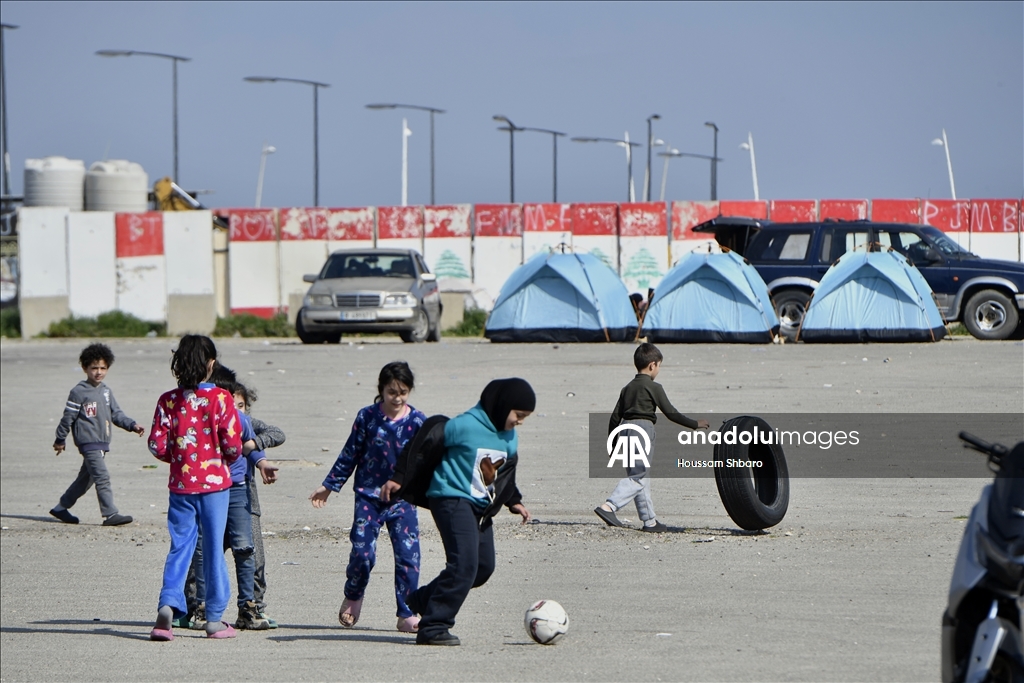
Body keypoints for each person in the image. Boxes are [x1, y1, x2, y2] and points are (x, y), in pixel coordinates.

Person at [382, 378, 535, 647]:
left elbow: (503, 472)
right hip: (450, 498)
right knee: (463, 564)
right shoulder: (464, 425)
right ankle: (434, 627)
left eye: (524, 417)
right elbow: (423, 443)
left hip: (481, 506)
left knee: (482, 568)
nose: (520, 421)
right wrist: (399, 477)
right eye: (518, 415)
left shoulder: (509, 436)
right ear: (501, 406)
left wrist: (514, 500)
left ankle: (423, 599)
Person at [310, 361, 425, 633]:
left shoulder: (418, 421)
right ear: (381, 390)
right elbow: (350, 453)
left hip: (402, 500)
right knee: (363, 553)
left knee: (409, 558)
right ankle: (353, 596)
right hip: (368, 498)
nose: (397, 398)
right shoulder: (367, 417)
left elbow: (426, 460)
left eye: (403, 392)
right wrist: (329, 486)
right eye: (391, 392)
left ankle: (407, 612)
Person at [147, 335, 243, 641]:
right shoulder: (221, 399)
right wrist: (223, 458)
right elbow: (232, 444)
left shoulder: (168, 401)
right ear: (211, 365)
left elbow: (156, 445)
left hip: (181, 486)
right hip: (215, 486)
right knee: (214, 549)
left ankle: (168, 603)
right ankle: (214, 619)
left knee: (180, 546)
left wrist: (177, 458)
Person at [595, 343, 709, 532]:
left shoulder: (627, 388)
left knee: (641, 475)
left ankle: (650, 521)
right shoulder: (654, 387)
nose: (659, 370)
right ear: (652, 365)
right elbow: (671, 413)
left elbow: (615, 417)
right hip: (643, 429)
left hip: (625, 429)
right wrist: (695, 424)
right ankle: (609, 506)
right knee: (638, 476)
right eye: (659, 366)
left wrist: (613, 445)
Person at [50, 343, 144, 526]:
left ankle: (61, 508)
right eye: (94, 368)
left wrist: (132, 425)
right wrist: (60, 439)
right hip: (88, 442)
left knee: (86, 480)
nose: (98, 372)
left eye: (103, 368)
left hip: (102, 442)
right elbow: (67, 417)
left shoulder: (106, 391)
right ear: (85, 368)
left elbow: (116, 414)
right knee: (102, 476)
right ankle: (110, 514)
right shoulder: (78, 392)